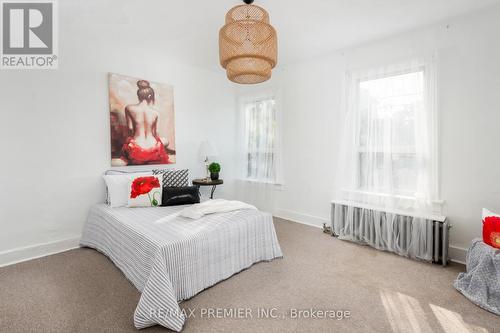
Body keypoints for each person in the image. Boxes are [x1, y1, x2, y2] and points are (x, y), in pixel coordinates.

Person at [121, 80, 170, 165]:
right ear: (150, 97)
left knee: (127, 143)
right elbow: (155, 133)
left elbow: (130, 128)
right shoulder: (155, 113)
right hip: (154, 148)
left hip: (137, 149)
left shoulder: (129, 108)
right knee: (165, 141)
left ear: (138, 95)